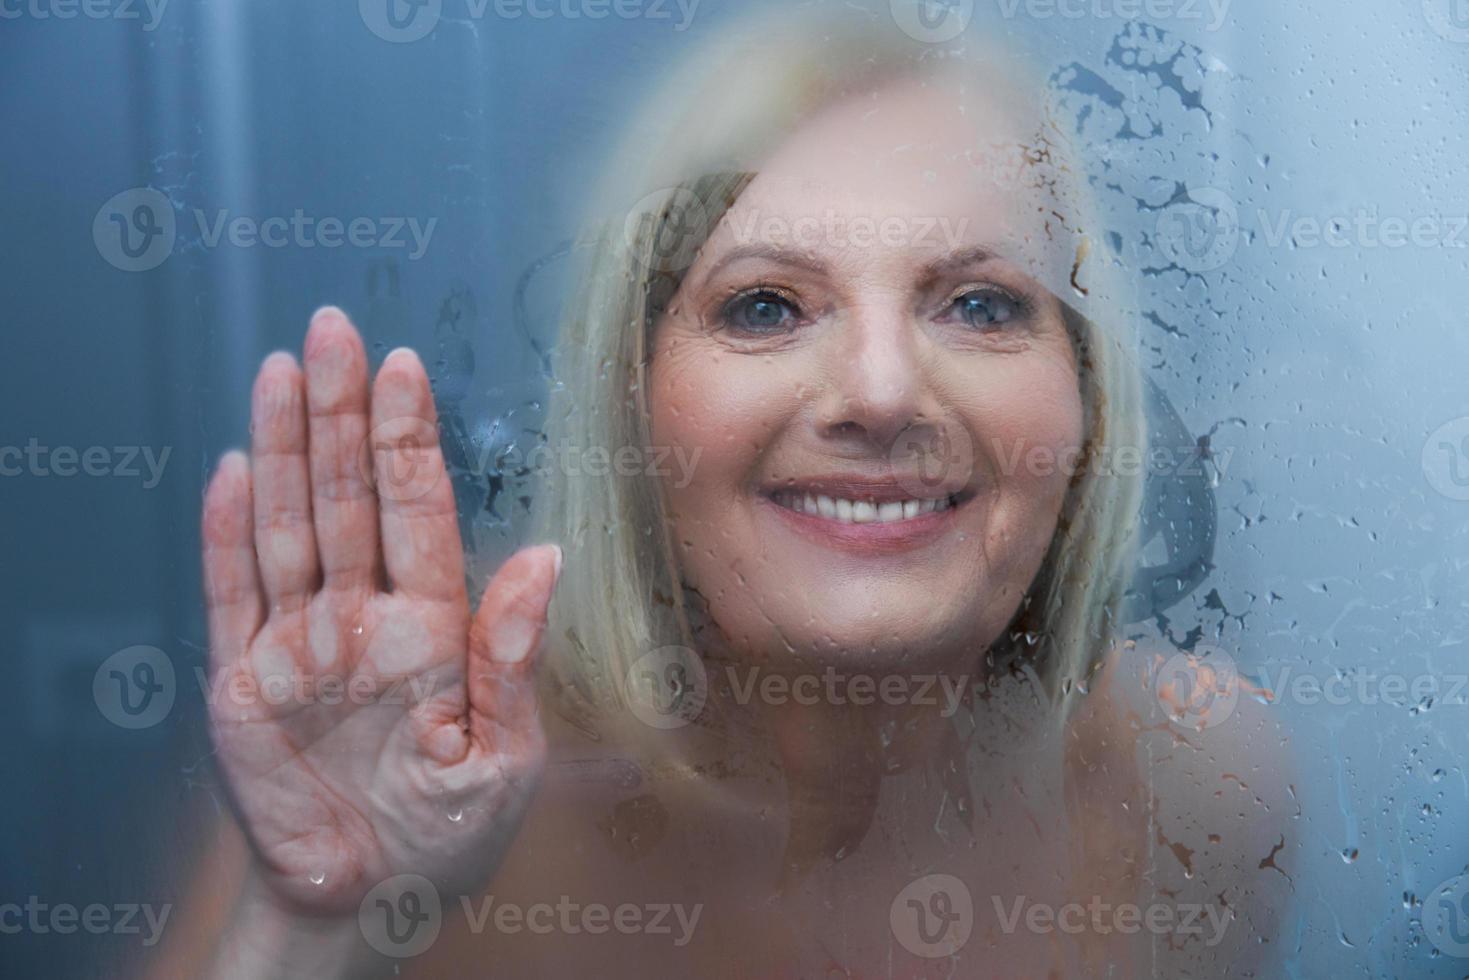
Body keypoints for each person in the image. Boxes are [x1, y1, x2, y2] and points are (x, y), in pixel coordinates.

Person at [170, 6, 1293, 977]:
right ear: (634, 395)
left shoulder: (1196, 781)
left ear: (1084, 397)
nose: (882, 390)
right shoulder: (413, 777)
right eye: (764, 305)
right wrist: (311, 930)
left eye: (981, 305)